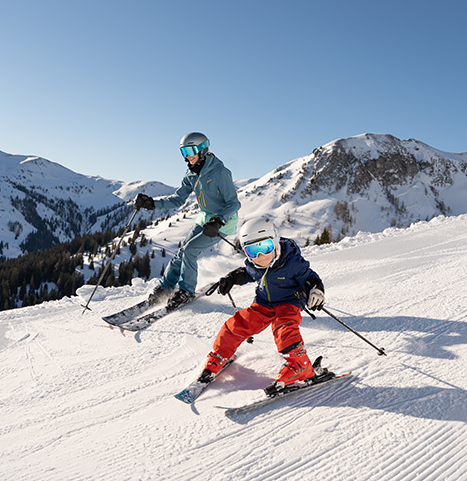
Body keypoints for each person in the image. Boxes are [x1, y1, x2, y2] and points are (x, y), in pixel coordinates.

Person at [198, 218, 326, 395]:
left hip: (289, 303)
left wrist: (316, 290)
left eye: (265, 247)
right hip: (263, 304)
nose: (260, 256)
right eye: (252, 250)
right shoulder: (254, 263)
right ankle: (220, 355)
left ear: (274, 242)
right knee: (235, 325)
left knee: (284, 328)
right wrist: (232, 278)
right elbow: (247, 273)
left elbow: (311, 278)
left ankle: (300, 365)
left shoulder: (292, 262)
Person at [134, 132, 240, 307]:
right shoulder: (191, 173)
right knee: (182, 252)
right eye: (183, 152)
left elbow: (234, 203)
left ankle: (186, 291)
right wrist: (152, 204)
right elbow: (178, 199)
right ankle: (166, 287)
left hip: (222, 222)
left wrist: (219, 220)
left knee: (190, 250)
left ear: (202, 149)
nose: (187, 156)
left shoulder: (220, 173)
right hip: (204, 219)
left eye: (190, 151)